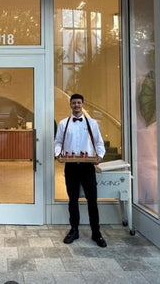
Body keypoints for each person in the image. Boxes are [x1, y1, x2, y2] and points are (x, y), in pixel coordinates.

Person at [54, 93, 107, 247]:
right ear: (70, 105)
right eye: (74, 103)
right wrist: (57, 154)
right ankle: (74, 230)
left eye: (79, 102)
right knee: (73, 200)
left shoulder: (92, 123)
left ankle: (96, 233)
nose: (76, 105)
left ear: (83, 104)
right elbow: (57, 142)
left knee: (92, 200)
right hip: (70, 167)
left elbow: (99, 143)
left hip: (87, 167)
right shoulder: (64, 124)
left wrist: (100, 156)